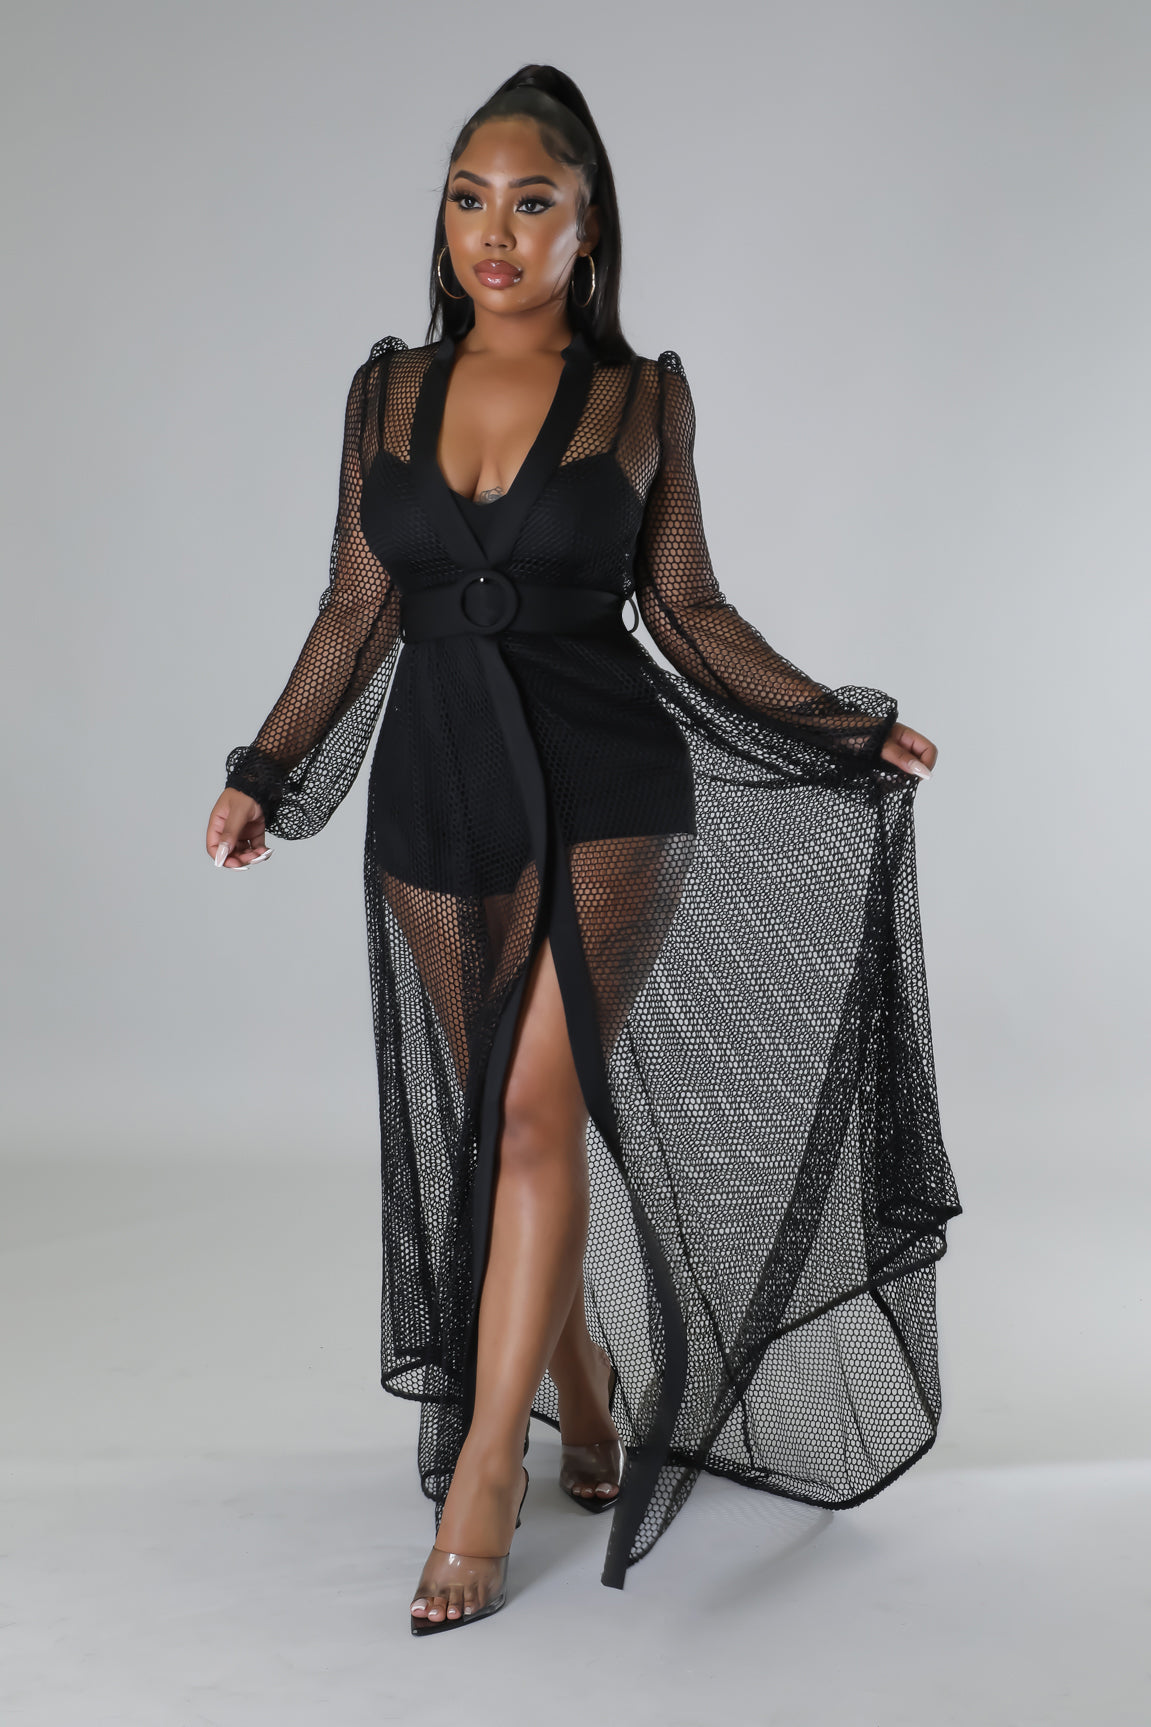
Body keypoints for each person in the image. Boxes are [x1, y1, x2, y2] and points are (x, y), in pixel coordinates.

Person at [206, 65, 961, 1636]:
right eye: (468, 199)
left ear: (588, 227)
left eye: (532, 202)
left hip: (611, 787)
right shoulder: (385, 394)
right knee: (501, 1125)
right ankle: (587, 1387)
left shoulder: (639, 400)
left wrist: (833, 725)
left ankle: (488, 1477)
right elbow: (356, 605)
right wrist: (266, 770)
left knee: (540, 1110)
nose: (496, 231)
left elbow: (689, 610)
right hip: (435, 790)